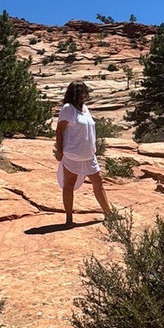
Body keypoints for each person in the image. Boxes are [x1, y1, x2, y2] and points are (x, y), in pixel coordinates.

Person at [54, 81, 111, 226]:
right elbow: (59, 130)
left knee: (99, 183)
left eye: (85, 92)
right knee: (69, 185)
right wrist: (59, 151)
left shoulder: (85, 108)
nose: (84, 95)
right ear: (74, 93)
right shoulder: (68, 108)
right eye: (81, 92)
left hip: (89, 155)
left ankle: (109, 215)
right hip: (73, 154)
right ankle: (69, 219)